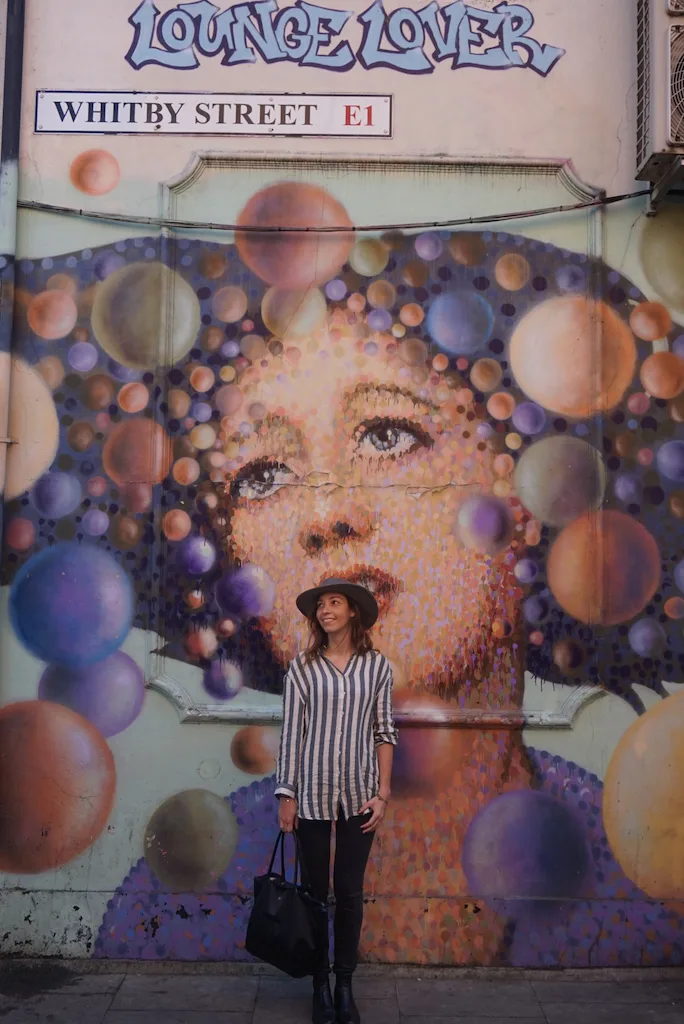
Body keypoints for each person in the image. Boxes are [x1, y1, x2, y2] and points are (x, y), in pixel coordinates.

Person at [274, 576, 397, 1024]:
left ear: (352, 613)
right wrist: (286, 794)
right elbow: (291, 735)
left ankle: (345, 984)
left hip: (361, 797)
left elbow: (385, 732)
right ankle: (319, 985)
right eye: (320, 605)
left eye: (334, 603)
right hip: (309, 795)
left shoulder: (377, 667)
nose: (325, 610)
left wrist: (382, 794)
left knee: (348, 893)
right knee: (314, 895)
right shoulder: (302, 669)